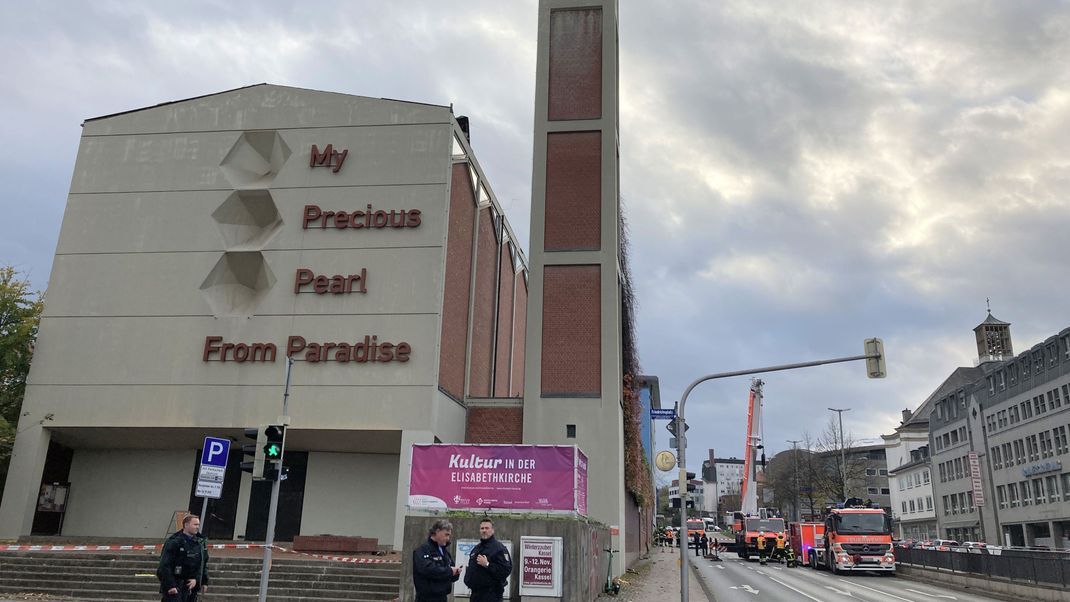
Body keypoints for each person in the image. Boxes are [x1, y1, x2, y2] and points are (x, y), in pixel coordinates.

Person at [157, 514, 209, 602]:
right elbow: (165, 565)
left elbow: (202, 563)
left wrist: (202, 581)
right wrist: (170, 585)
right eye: (195, 524)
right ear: (186, 525)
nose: (197, 527)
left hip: (190, 587)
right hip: (175, 585)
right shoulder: (174, 542)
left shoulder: (200, 543)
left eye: (198, 525)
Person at [464, 518, 513, 602]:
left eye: (487, 528)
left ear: (492, 530)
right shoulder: (476, 549)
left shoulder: (499, 549)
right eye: (482, 528)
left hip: (491, 595)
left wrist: (487, 565)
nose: (484, 530)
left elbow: (506, 570)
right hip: (475, 595)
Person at [413, 519, 462, 602]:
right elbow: (427, 569)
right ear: (437, 531)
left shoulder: (445, 553)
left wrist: (455, 573)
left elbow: (449, 572)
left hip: (442, 597)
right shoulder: (423, 550)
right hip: (426, 598)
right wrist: (449, 571)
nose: (448, 538)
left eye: (449, 535)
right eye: (446, 535)